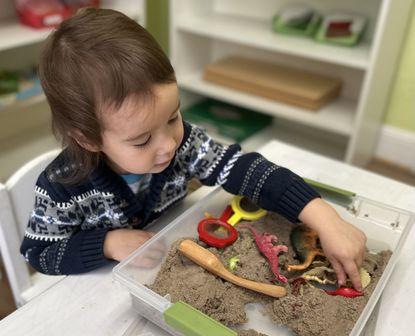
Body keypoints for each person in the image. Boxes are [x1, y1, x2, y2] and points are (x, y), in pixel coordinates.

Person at [20, 8, 366, 290]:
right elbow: (40, 252)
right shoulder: (61, 188)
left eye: (173, 116)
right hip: (97, 292)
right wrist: (108, 243)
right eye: (142, 140)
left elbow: (246, 171)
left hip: (163, 264)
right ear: (88, 139)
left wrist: (323, 216)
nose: (169, 144)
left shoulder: (184, 144)